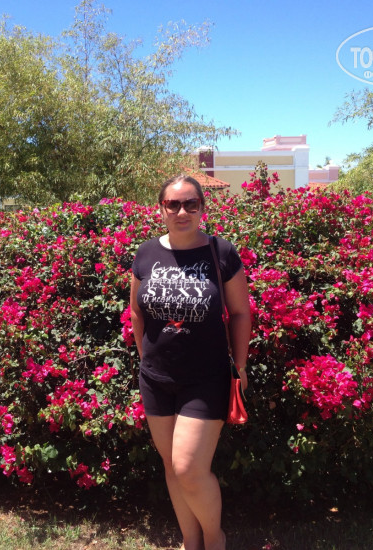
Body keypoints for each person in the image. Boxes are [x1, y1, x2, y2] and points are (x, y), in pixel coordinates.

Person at [129, 175, 251, 550]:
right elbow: (136, 312)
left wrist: (240, 366)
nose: (182, 212)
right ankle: (190, 540)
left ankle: (215, 539)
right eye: (173, 204)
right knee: (171, 467)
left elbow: (241, 312)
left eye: (190, 204)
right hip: (156, 379)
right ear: (161, 208)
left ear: (202, 208)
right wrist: (145, 360)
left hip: (206, 378)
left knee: (188, 468)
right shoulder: (145, 253)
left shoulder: (221, 251)